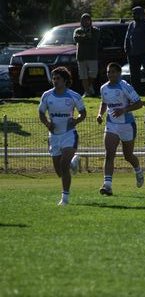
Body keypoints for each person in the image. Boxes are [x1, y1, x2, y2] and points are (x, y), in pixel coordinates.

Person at [38, 66, 86, 206]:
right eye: (53, 78)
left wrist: (76, 120)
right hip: (54, 136)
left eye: (58, 78)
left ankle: (64, 199)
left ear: (65, 81)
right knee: (60, 171)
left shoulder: (74, 96)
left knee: (63, 166)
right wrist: (47, 123)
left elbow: (83, 113)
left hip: (69, 135)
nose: (55, 81)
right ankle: (74, 163)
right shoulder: (47, 95)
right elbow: (41, 113)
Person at [96, 62, 144, 196]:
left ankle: (138, 171)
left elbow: (139, 103)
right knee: (109, 154)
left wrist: (124, 110)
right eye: (108, 72)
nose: (110, 74)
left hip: (127, 125)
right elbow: (104, 102)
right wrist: (100, 114)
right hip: (111, 125)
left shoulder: (125, 86)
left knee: (128, 155)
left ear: (119, 73)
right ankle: (107, 185)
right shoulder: (103, 88)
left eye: (113, 72)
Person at [124, 6, 145, 96]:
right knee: (134, 74)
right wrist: (126, 49)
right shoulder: (131, 24)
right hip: (133, 54)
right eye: (133, 13)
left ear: (141, 14)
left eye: (136, 13)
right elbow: (127, 38)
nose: (134, 15)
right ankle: (135, 92)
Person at [73, 13, 100, 97]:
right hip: (81, 56)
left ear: (90, 21)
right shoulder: (77, 31)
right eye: (83, 20)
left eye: (87, 20)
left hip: (92, 56)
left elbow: (94, 39)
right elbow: (76, 39)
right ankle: (87, 92)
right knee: (83, 75)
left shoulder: (96, 30)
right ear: (81, 21)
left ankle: (88, 89)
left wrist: (84, 38)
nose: (85, 22)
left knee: (93, 74)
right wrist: (86, 36)